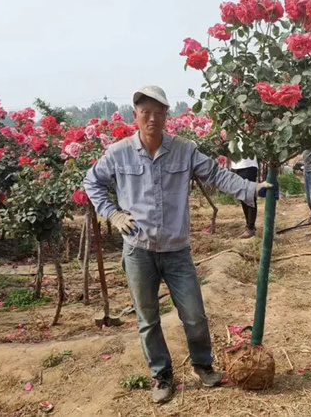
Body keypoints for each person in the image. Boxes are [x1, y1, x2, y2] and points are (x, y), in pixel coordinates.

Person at [84, 85, 272, 404]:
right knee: (148, 319)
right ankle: (162, 375)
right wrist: (113, 214)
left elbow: (217, 175)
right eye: (146, 112)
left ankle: (202, 364)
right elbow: (92, 182)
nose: (152, 118)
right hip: (138, 250)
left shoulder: (184, 150)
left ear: (167, 116)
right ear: (136, 116)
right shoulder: (118, 153)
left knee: (194, 314)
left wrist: (253, 189)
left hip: (176, 250)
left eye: (159, 112)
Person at [230, 141, 258, 239]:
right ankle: (249, 225)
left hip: (248, 165)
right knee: (242, 197)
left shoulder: (248, 127)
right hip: (236, 166)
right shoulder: (232, 130)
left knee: (249, 197)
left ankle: (251, 227)